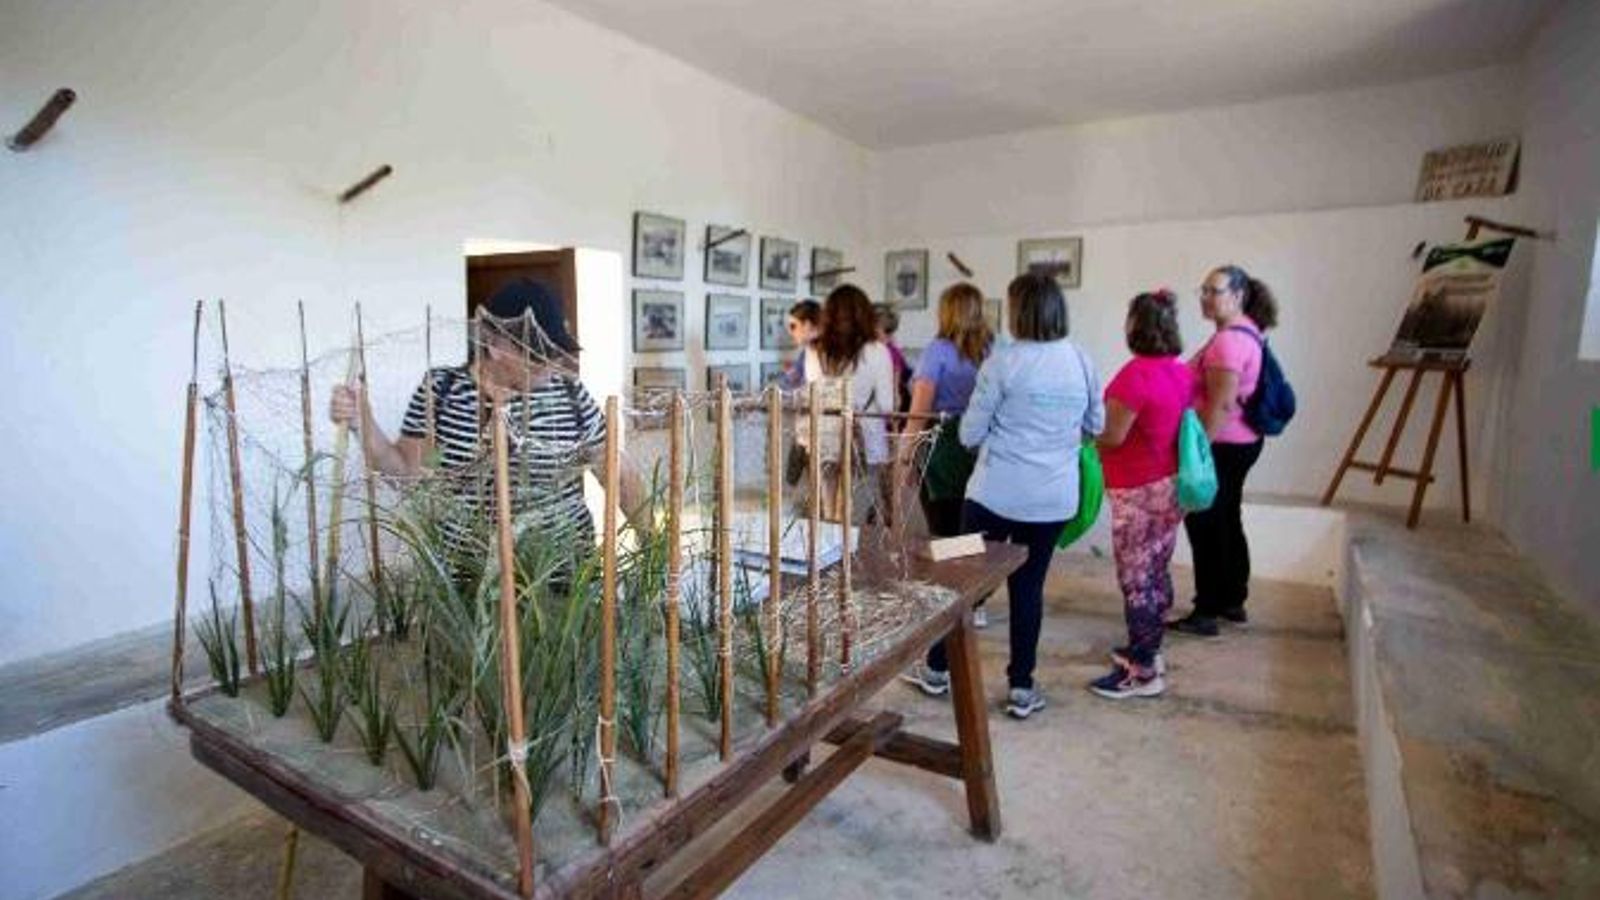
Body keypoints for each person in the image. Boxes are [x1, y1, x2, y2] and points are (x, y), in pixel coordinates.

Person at [329, 278, 644, 578]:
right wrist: (362, 421)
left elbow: (618, 475)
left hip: (562, 579)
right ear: (495, 345)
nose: (552, 364)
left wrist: (653, 546)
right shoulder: (442, 391)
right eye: (539, 353)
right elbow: (407, 474)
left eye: (555, 351)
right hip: (465, 581)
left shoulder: (572, 396)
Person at [907, 272, 1104, 720]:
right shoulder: (1081, 360)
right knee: (1029, 589)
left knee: (961, 579)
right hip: (1052, 497)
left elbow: (970, 433)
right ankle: (1021, 686)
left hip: (993, 493)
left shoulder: (1003, 362)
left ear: (1018, 311)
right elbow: (1095, 426)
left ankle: (936, 668)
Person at [1088, 290, 1193, 699]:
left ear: (1136, 326)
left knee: (1136, 579)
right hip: (1169, 484)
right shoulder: (1181, 372)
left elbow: (1112, 435)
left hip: (1137, 491)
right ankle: (1150, 650)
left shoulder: (1136, 376)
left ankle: (1143, 672)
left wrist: (1083, 431)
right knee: (1156, 572)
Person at [1168, 265, 1278, 637]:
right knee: (1228, 518)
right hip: (1242, 442)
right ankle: (1232, 599)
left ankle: (1207, 610)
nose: (1205, 298)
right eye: (1203, 290)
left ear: (1238, 295)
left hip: (1223, 445)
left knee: (1206, 524)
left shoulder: (1228, 342)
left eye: (1213, 291)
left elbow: (1221, 405)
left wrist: (1196, 453)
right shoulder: (1247, 332)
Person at [897, 282, 992, 631]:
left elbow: (919, 411)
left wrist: (905, 456)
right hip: (983, 446)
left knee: (944, 528)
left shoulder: (937, 351)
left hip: (943, 446)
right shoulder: (994, 349)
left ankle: (954, 600)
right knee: (974, 527)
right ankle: (976, 601)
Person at [799, 285, 896, 523]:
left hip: (824, 436)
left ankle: (831, 545)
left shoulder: (814, 350)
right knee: (856, 516)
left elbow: (814, 393)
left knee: (829, 513)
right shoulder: (877, 351)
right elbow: (886, 405)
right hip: (864, 438)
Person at [872, 302, 911, 416]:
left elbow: (896, 387)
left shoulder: (893, 352)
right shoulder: (864, 350)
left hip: (886, 405)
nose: (890, 336)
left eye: (891, 331)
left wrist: (895, 404)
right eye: (887, 331)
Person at [778, 299, 822, 390]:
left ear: (808, 325)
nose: (790, 332)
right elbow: (786, 383)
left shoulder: (833, 353)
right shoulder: (806, 353)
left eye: (793, 326)